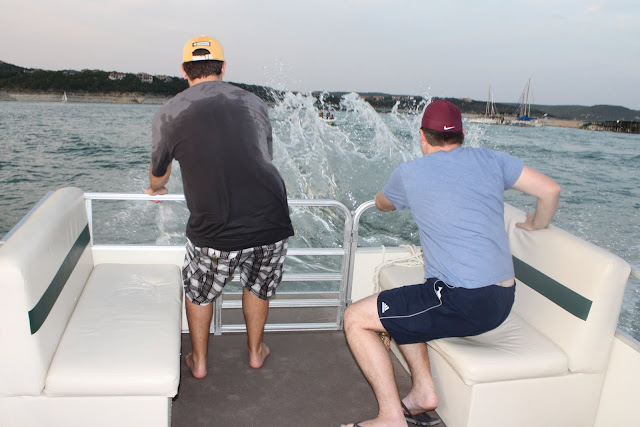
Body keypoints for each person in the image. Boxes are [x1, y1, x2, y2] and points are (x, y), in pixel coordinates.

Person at [341, 100, 560, 427]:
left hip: (463, 301)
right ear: (462, 134)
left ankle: (390, 417)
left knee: (356, 318)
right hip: (502, 299)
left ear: (422, 136)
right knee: (409, 301)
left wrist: (388, 198)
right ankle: (423, 393)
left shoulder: (410, 173)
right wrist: (536, 224)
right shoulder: (491, 159)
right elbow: (550, 190)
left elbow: (383, 204)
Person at [145, 35, 294, 377]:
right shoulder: (254, 102)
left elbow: (158, 172)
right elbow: (263, 155)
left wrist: (156, 187)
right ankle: (255, 352)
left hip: (214, 229)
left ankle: (199, 362)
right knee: (258, 286)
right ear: (223, 67)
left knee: (199, 293)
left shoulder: (169, 112)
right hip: (271, 220)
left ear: (184, 70)